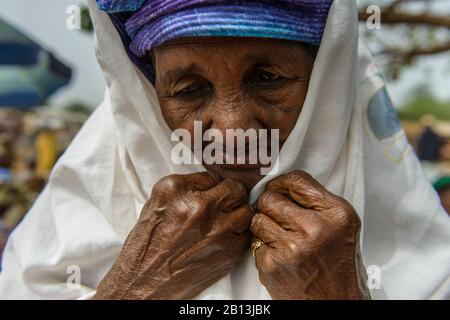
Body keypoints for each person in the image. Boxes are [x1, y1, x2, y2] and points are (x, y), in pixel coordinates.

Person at [0, 0, 449, 300]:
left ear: (326, 88)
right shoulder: (45, 265)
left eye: (268, 78)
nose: (232, 128)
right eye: (190, 89)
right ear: (145, 98)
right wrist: (136, 289)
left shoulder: (433, 269)